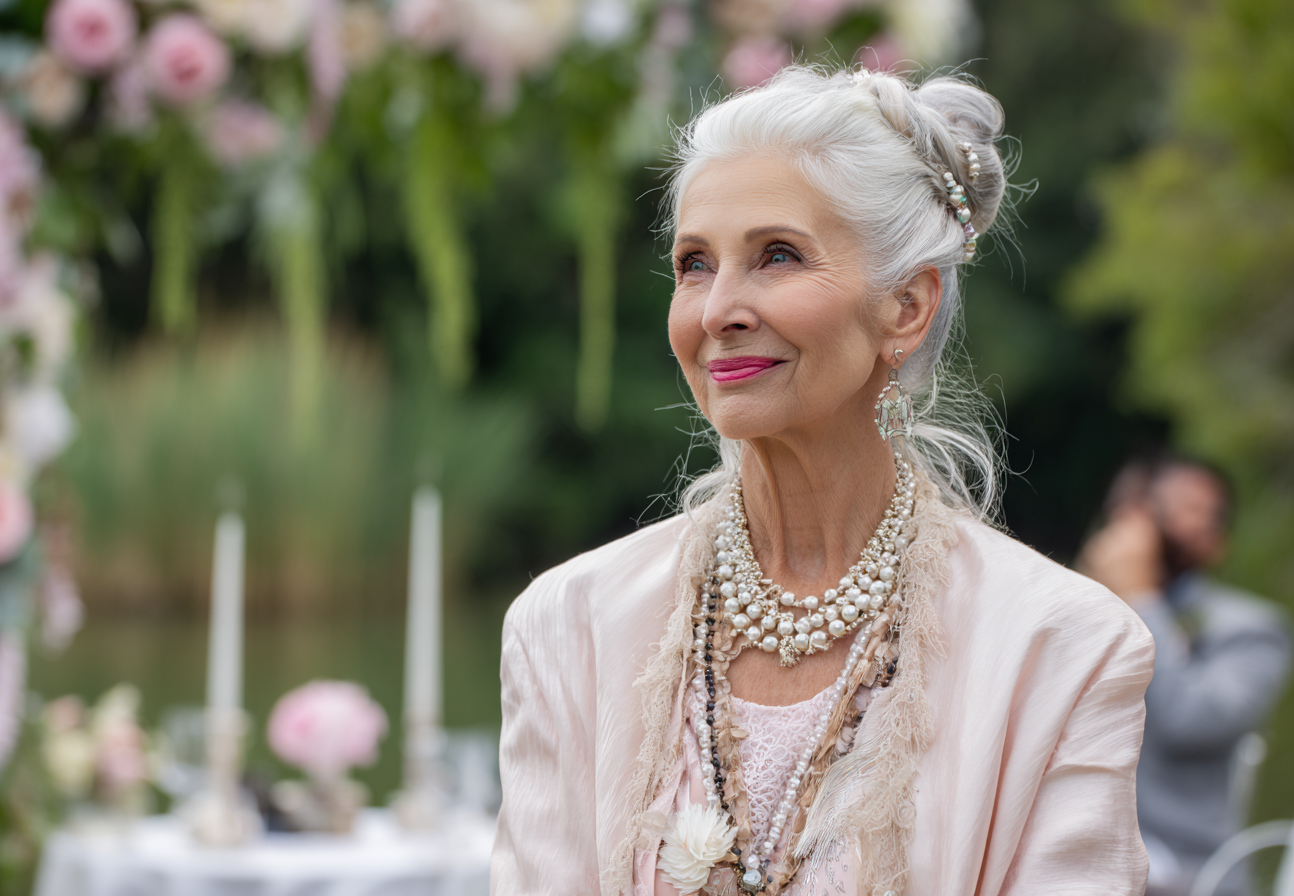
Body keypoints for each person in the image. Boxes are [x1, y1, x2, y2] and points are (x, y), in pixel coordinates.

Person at [492, 65, 1155, 896]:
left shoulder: (1063, 650)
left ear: (906, 307)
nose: (717, 311)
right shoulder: (568, 628)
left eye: (777, 256)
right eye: (694, 264)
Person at [1080, 453, 1290, 896]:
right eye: (1151, 505)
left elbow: (1190, 719)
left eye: (1196, 510)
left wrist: (1140, 596)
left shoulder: (1252, 630)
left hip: (1187, 877)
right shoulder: (1076, 613)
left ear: (1219, 540)